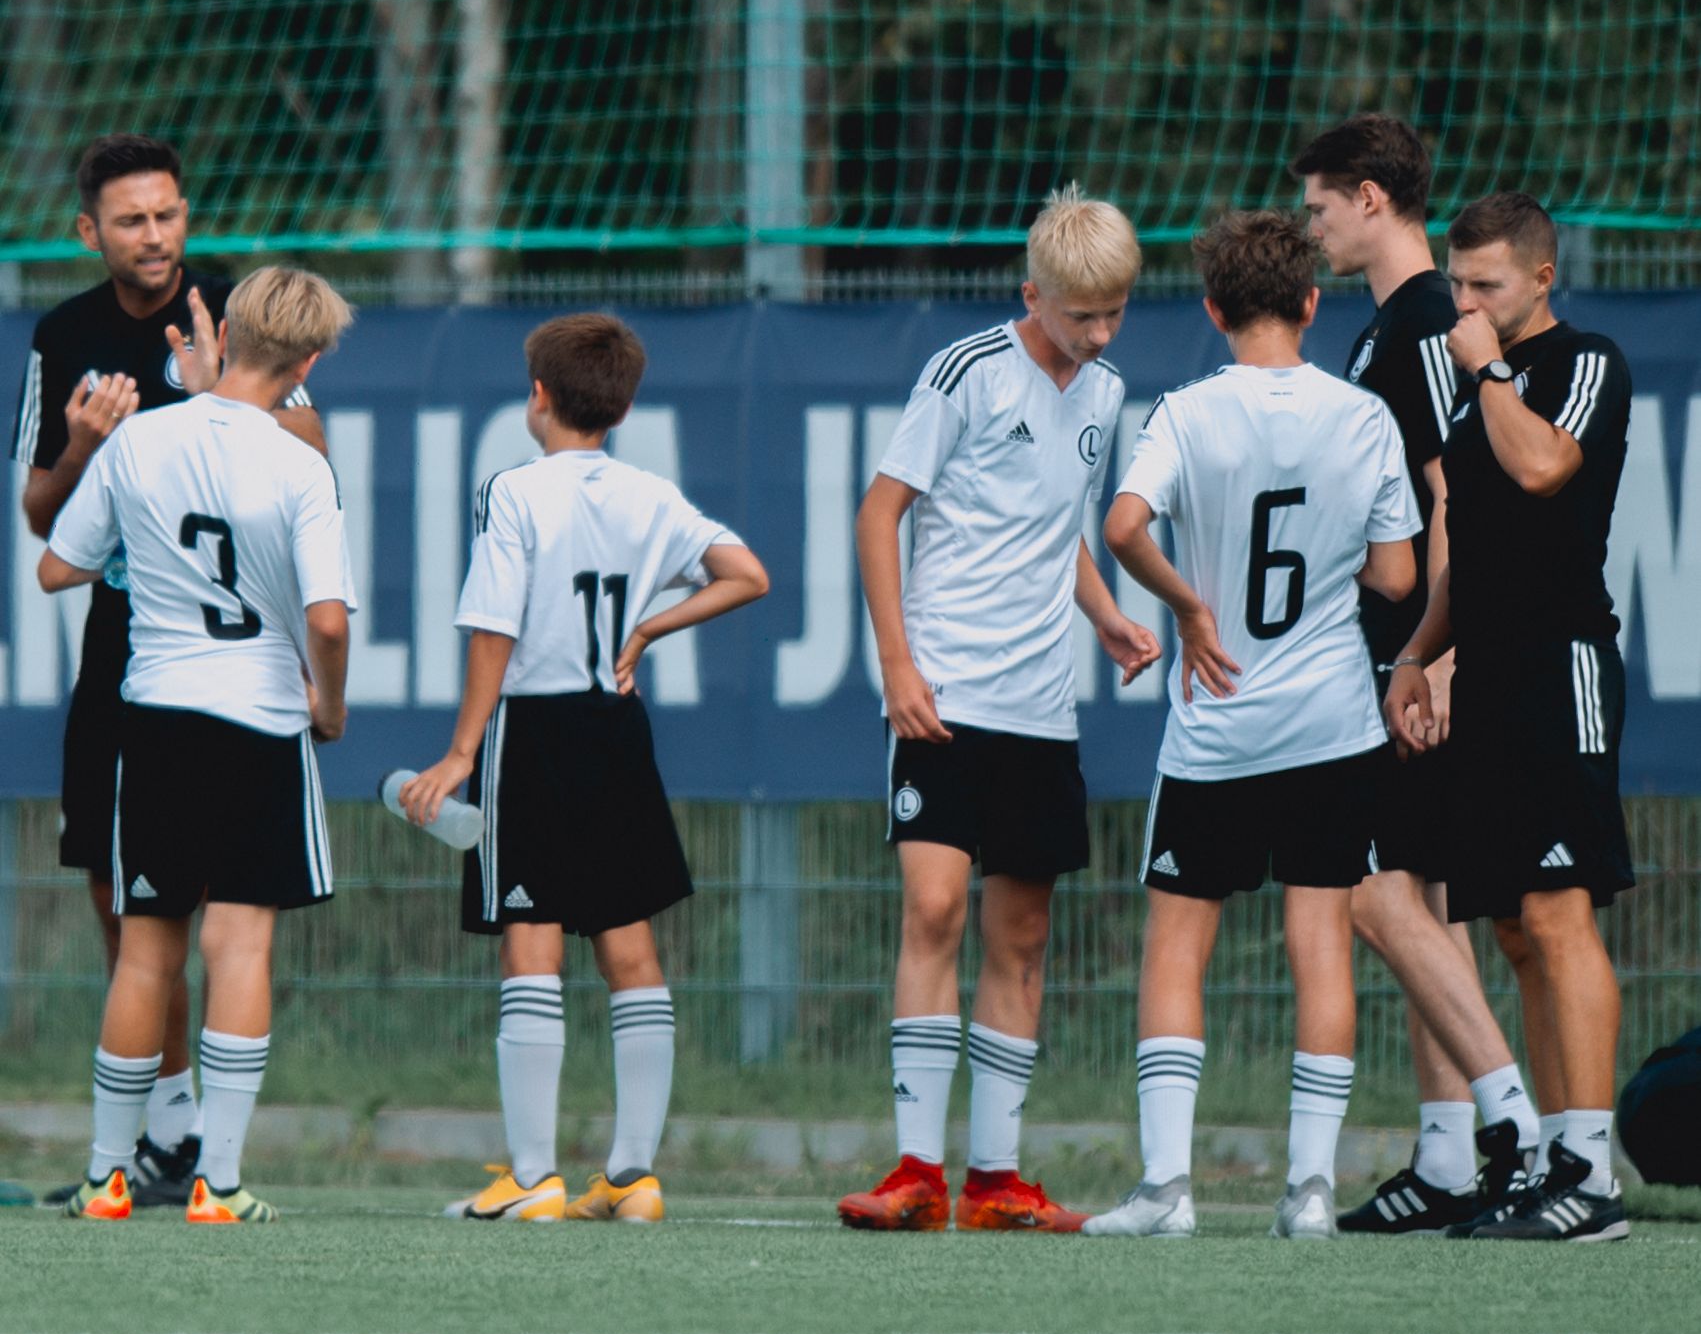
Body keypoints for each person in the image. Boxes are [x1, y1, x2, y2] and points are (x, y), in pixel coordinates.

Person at [1085, 209, 1419, 1241]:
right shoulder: (1363, 416)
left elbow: (1122, 528)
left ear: (1214, 309)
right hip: (1330, 722)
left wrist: (1188, 606)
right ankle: (1310, 1188)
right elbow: (1401, 574)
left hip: (1218, 721)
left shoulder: (1187, 411)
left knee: (1179, 944)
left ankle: (1167, 1189)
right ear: (1314, 303)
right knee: (1319, 940)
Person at [836, 186, 1159, 1235]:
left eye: (1113, 312)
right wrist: (897, 663)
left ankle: (995, 1179)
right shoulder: (966, 371)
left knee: (1022, 936)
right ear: (1035, 294)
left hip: (1040, 706)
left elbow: (1054, 524)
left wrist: (1107, 614)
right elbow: (880, 511)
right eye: (1080, 315)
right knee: (933, 910)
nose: (1097, 334)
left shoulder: (1107, 391)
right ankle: (916, 1169)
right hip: (944, 693)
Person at [12, 134, 325, 1206]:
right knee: (127, 903)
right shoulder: (64, 335)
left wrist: (216, 391)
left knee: (210, 917)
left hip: (229, 667)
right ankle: (172, 1138)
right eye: (133, 221)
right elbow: (43, 519)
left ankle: (172, 1152)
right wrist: (85, 444)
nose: (157, 237)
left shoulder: (231, 315)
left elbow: (308, 455)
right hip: (129, 660)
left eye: (169, 215)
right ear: (89, 231)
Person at [403, 314, 769, 1224]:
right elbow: (746, 574)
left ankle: (532, 1179)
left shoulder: (514, 491)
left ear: (537, 396)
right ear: (623, 403)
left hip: (533, 731)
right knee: (629, 947)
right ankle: (632, 1175)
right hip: (617, 729)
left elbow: (496, 627)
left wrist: (461, 750)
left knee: (532, 945)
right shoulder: (651, 495)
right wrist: (649, 627)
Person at [1292, 114, 1539, 1231]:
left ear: (1372, 200)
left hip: (1410, 658)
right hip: (1391, 653)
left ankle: (1515, 1131)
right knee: (1416, 898)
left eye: (1320, 205)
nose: (1314, 226)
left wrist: (1428, 660)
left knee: (1375, 894)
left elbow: (1452, 495)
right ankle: (1445, 1157)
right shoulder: (1388, 325)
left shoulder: (1430, 320)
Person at [1386, 192, 1635, 1242]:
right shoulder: (1468, 392)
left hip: (1560, 667)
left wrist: (1487, 364)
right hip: (1482, 674)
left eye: (1487, 284)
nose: (1466, 302)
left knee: (1558, 910)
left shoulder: (1583, 363)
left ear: (1539, 279)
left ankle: (1593, 1167)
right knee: (1509, 923)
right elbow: (1469, 540)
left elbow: (1541, 468)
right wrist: (1414, 656)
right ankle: (1548, 1158)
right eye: (1458, 283)